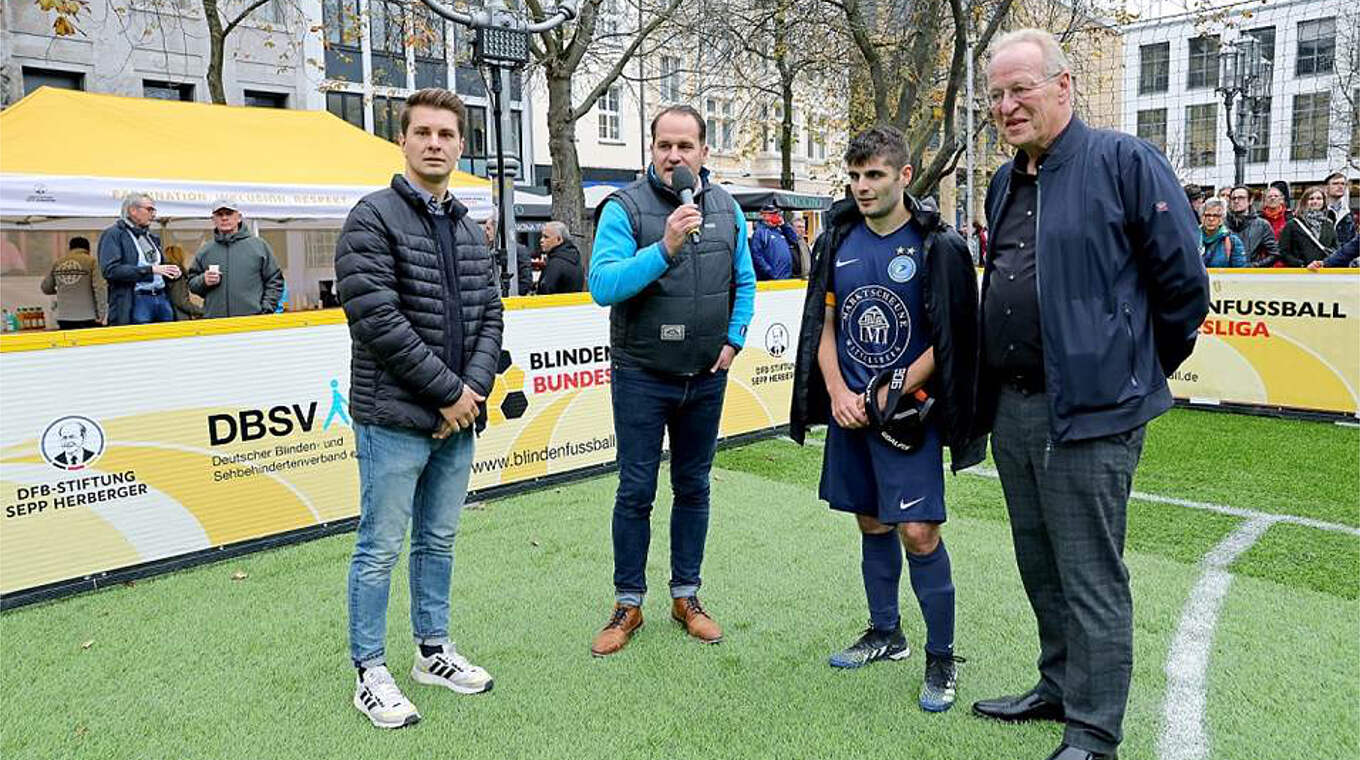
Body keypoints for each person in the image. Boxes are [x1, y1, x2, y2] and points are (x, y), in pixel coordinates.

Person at [970, 30, 1209, 760]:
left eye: (1021, 90)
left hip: (1093, 415)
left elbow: (1184, 290)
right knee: (1040, 564)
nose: (1007, 106)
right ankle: (1060, 687)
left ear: (1064, 85)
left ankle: (1095, 732)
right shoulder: (1006, 180)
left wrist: (1127, 370)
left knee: (1090, 575)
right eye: (997, 96)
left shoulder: (1124, 162)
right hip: (1014, 409)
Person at [788, 125, 981, 712]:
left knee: (919, 532)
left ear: (903, 176)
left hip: (907, 417)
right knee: (870, 522)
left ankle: (942, 658)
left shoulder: (936, 244)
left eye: (874, 175)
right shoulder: (837, 237)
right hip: (852, 412)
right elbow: (823, 324)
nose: (862, 186)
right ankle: (885, 632)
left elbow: (951, 339)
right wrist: (839, 390)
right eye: (854, 175)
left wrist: (892, 390)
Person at [334, 88, 504, 730]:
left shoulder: (465, 224)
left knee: (438, 541)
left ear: (461, 145)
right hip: (395, 419)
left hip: (458, 417)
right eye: (424, 132)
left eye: (447, 134)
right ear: (402, 140)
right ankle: (369, 671)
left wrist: (471, 392)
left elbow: (491, 314)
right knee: (380, 546)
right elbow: (377, 318)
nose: (435, 143)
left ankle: (432, 651)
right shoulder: (371, 217)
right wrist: (448, 393)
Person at [586, 104, 756, 657]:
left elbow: (745, 282)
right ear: (651, 150)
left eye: (685, 146)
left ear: (704, 152)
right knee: (635, 491)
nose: (674, 156)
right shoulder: (624, 208)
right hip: (642, 375)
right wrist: (666, 247)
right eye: (665, 146)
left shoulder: (728, 208)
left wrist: (733, 340)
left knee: (695, 488)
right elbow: (604, 285)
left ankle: (687, 595)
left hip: (705, 378)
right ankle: (627, 603)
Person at [186, 199, 285, 318]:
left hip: (251, 321)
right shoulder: (206, 250)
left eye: (228, 214)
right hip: (215, 323)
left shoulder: (259, 246)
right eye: (219, 215)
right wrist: (204, 281)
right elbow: (191, 283)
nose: (224, 218)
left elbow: (275, 280)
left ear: (239, 217)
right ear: (213, 220)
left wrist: (266, 309)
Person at [98, 193, 182, 325]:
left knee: (167, 341)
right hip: (136, 299)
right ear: (132, 210)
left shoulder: (150, 236)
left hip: (161, 296)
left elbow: (157, 267)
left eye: (154, 210)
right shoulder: (114, 234)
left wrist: (171, 271)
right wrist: (150, 270)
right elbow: (110, 270)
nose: (153, 215)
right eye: (149, 209)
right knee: (140, 343)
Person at [41, 236, 107, 330]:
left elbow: (46, 288)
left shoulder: (59, 262)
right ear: (88, 249)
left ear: (70, 248)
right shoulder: (91, 262)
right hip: (88, 317)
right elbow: (100, 288)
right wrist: (102, 313)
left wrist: (61, 290)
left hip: (64, 317)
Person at [1279, 186, 1338, 267]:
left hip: (1324, 271)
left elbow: (1336, 248)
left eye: (1319, 198)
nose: (1315, 201)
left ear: (1324, 202)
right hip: (1300, 273)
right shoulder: (1292, 224)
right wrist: (1302, 264)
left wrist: (1325, 262)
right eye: (1311, 198)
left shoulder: (1329, 224)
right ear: (1304, 201)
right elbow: (1283, 251)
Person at [1226, 186, 1280, 267]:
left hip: (1251, 275)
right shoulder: (1222, 224)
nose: (1236, 201)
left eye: (1241, 198)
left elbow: (1274, 254)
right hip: (1224, 274)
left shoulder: (1262, 225)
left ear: (1250, 200)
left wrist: (1255, 266)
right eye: (1233, 198)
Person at [481, 214, 534, 295]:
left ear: (497, 229)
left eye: (488, 229)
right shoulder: (487, 250)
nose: (486, 233)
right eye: (485, 230)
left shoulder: (518, 250)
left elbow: (526, 279)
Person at [750, 203, 799, 280]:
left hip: (787, 277)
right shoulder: (760, 232)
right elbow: (756, 255)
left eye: (777, 213)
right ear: (764, 216)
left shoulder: (780, 230)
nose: (776, 216)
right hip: (772, 279)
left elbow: (794, 240)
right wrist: (770, 273)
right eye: (772, 214)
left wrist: (784, 225)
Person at [535, 220, 584, 294]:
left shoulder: (556, 263)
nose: (541, 240)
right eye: (541, 236)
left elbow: (545, 291)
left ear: (559, 239)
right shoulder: (574, 258)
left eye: (546, 237)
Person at [1199, 198, 1247, 267]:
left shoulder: (1233, 241)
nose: (1211, 219)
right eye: (1207, 215)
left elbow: (1240, 271)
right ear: (1202, 218)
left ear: (1222, 219)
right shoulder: (1193, 238)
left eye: (1216, 215)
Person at [161, 245, 204, 319]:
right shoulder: (177, 275)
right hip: (179, 317)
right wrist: (202, 311)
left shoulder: (163, 274)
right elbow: (181, 302)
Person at [1323, 171, 1355, 245]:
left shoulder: (1348, 214)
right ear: (1326, 187)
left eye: (1343, 184)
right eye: (1335, 183)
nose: (1340, 186)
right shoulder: (1319, 211)